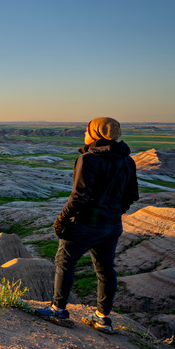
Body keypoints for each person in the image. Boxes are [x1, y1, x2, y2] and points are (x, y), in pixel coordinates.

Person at [35, 117, 138, 333]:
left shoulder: (88, 159)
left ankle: (58, 309)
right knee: (105, 269)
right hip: (112, 225)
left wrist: (61, 220)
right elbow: (131, 196)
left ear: (97, 133)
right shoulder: (127, 161)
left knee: (64, 262)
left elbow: (79, 196)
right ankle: (103, 317)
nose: (84, 133)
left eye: (87, 130)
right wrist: (113, 213)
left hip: (85, 224)